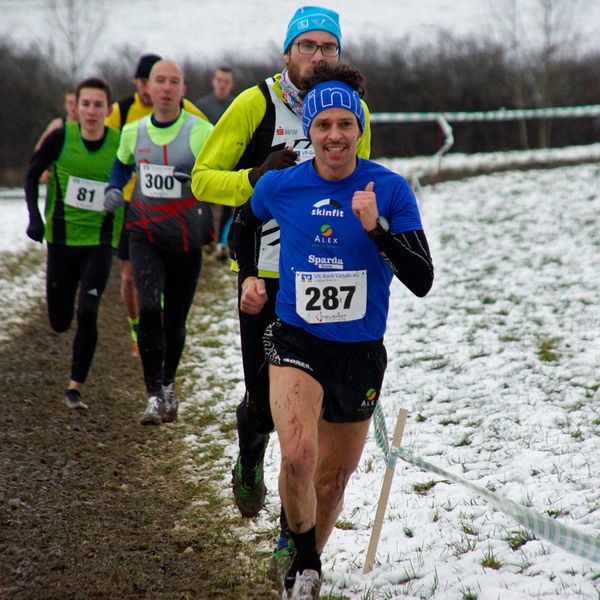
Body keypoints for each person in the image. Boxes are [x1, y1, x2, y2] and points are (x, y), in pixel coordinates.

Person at [233, 63, 434, 599]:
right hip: (297, 339)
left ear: (359, 129)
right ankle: (306, 570)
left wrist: (378, 230)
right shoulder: (281, 185)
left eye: (345, 124)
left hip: (360, 352)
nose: (335, 135)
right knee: (297, 454)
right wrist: (251, 273)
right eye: (323, 125)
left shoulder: (388, 190)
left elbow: (422, 279)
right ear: (309, 130)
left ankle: (301, 552)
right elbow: (242, 224)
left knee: (330, 482)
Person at [191, 4, 372, 577]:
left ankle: (291, 538)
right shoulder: (256, 104)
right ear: (287, 52)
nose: (319, 57)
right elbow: (202, 179)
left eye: (329, 48)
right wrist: (255, 179)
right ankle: (249, 454)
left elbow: (359, 186)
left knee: (310, 426)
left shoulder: (354, 107)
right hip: (265, 276)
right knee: (267, 409)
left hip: (325, 278)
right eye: (308, 47)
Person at [104, 59, 213, 426]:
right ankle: (152, 395)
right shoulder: (133, 131)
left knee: (175, 319)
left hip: (185, 235)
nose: (166, 88)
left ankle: (167, 382)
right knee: (149, 307)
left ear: (183, 89)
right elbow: (120, 165)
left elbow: (218, 170)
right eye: (160, 81)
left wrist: (200, 178)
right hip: (144, 230)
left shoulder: (200, 131)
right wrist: (114, 188)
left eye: (174, 81)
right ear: (147, 89)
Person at [24, 77, 123, 411]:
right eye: (86, 104)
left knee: (89, 310)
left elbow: (132, 181)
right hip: (62, 241)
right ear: (76, 107)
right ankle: (62, 322)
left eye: (98, 105)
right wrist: (35, 218)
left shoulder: (119, 143)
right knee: (59, 320)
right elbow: (30, 173)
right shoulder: (60, 138)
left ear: (108, 111)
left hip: (99, 242)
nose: (92, 111)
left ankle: (74, 388)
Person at [195, 66, 236, 259]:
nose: (222, 85)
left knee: (228, 206)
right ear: (213, 81)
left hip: (230, 163)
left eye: (226, 82)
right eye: (219, 80)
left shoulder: (236, 105)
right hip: (206, 163)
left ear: (231, 84)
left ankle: (222, 242)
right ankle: (205, 240)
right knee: (205, 202)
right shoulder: (201, 106)